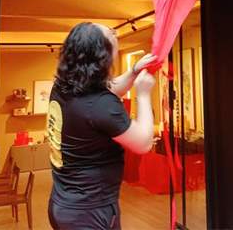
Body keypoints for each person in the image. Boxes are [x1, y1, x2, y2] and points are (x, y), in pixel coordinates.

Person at [46, 22, 157, 230]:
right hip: (89, 213)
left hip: (64, 205)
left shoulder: (64, 85)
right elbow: (143, 143)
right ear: (102, 55)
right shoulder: (101, 106)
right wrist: (143, 95)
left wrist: (133, 72)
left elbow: (108, 89)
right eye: (112, 34)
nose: (116, 34)